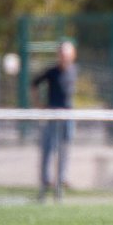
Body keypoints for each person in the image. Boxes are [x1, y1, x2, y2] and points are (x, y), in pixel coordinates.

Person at [31, 41, 77, 202]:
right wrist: (39, 105)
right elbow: (34, 84)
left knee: (64, 150)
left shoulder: (73, 71)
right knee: (48, 149)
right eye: (62, 55)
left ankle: (60, 183)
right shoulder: (52, 72)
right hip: (52, 115)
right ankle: (45, 183)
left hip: (68, 116)